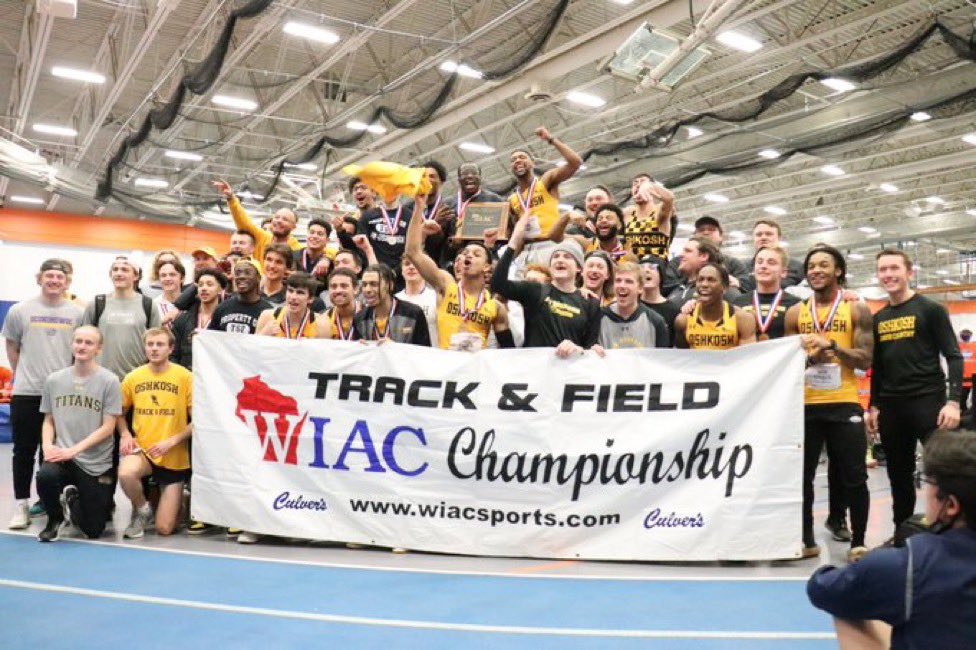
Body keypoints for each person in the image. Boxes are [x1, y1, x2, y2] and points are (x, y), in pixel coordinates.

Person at [807, 430, 976, 650]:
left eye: (929, 484)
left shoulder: (911, 565)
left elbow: (822, 588)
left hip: (903, 576)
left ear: (951, 505)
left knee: (851, 603)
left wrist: (878, 559)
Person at [867, 249, 963, 546]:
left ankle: (953, 534)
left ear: (909, 273)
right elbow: (879, 368)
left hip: (929, 403)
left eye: (894, 268)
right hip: (893, 407)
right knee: (898, 475)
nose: (888, 275)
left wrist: (953, 401)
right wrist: (873, 406)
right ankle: (901, 536)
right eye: (883, 270)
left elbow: (953, 356)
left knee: (945, 471)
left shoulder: (930, 309)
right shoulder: (879, 317)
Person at [785, 245, 874, 561]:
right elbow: (787, 364)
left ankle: (859, 542)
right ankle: (806, 539)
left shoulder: (855, 310)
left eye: (824, 264)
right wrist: (809, 358)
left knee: (854, 475)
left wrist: (833, 345)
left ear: (838, 271)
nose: (816, 270)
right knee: (803, 477)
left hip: (843, 402)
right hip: (806, 405)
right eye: (811, 265)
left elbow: (865, 359)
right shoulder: (796, 313)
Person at [3, 259, 83, 529]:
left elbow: (79, 352)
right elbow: (12, 347)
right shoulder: (19, 310)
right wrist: (23, 375)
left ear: (67, 282)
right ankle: (22, 504)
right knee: (23, 451)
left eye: (59, 277)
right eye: (49, 276)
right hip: (27, 392)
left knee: (52, 452)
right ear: (40, 278)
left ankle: (47, 502)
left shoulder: (77, 314)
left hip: (62, 395)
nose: (54, 280)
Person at [36, 326, 122, 541]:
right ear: (72, 344)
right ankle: (54, 519)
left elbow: (108, 428)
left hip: (95, 461)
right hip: (63, 455)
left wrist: (74, 450)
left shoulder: (109, 381)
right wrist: (47, 445)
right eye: (78, 341)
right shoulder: (54, 380)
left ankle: (72, 498)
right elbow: (48, 419)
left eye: (89, 343)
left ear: (98, 349)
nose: (82, 346)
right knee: (45, 475)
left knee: (94, 530)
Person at [404, 197, 513, 351]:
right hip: (446, 371)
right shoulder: (446, 285)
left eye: (476, 254)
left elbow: (509, 353)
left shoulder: (495, 307)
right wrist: (419, 208)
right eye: (466, 253)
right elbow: (412, 252)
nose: (468, 256)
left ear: (487, 267)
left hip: (475, 372)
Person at [491, 209, 600, 355]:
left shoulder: (589, 302)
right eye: (556, 257)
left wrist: (578, 349)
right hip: (537, 372)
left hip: (569, 373)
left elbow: (590, 346)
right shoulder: (535, 290)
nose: (560, 260)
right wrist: (513, 242)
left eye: (567, 257)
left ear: (579, 268)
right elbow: (498, 285)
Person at [117, 328, 193, 538]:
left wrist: (172, 441)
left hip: (173, 454)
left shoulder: (185, 377)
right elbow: (118, 413)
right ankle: (142, 509)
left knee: (164, 529)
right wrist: (125, 434)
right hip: (144, 450)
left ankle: (181, 501)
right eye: (150, 344)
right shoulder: (133, 377)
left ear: (171, 349)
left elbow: (198, 422)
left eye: (160, 345)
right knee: (125, 473)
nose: (154, 349)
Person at [506, 126, 582, 270]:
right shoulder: (512, 199)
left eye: (522, 157)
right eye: (513, 159)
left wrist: (550, 139)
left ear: (532, 163)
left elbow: (575, 162)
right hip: (527, 249)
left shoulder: (546, 181)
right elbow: (516, 233)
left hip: (551, 244)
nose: (517, 161)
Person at [82, 256, 161, 380]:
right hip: (100, 378)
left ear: (136, 276)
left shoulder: (148, 305)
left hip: (137, 379)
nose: (119, 273)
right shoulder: (97, 304)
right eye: (115, 269)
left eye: (124, 269)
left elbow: (157, 343)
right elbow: (83, 342)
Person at [674, 263, 756, 349]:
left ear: (724, 288)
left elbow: (747, 359)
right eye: (700, 280)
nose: (704, 284)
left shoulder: (742, 319)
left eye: (711, 280)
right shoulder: (683, 320)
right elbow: (681, 358)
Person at [594, 261, 669, 350]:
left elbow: (663, 360)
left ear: (640, 288)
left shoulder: (655, 321)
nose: (622, 285)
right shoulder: (598, 318)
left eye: (628, 281)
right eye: (618, 280)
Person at [732, 246, 800, 341]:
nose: (763, 266)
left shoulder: (796, 304)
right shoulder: (738, 303)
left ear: (784, 272)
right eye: (759, 262)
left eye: (771, 262)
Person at [353, 264, 431, 345]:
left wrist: (395, 348)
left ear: (390, 285)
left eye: (374, 284)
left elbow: (424, 353)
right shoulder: (359, 319)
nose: (367, 289)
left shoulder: (413, 314)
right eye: (364, 285)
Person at [170, 269, 227, 370]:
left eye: (209, 284)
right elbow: (173, 354)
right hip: (187, 376)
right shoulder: (183, 319)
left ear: (220, 290)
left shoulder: (226, 319)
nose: (204, 288)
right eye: (200, 285)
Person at [256, 273, 331, 339]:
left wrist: (310, 347)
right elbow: (254, 351)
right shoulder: (267, 316)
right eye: (290, 291)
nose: (293, 297)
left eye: (300, 293)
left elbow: (323, 354)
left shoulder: (322, 324)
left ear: (310, 298)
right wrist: (263, 335)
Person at [668, 236, 739, 305]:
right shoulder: (676, 289)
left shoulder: (722, 290)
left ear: (703, 256)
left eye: (688, 251)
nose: (680, 255)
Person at [208, 260, 273, 334]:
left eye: (247, 273)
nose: (241, 276)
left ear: (258, 278)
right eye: (238, 273)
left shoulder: (267, 311)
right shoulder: (222, 308)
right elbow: (210, 338)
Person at [740, 219, 804, 291]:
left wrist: (741, 283)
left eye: (769, 234)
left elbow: (781, 285)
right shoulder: (742, 266)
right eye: (758, 235)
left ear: (779, 238)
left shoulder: (796, 266)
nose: (763, 237)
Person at [623, 174, 675, 260]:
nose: (638, 185)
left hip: (655, 268)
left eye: (643, 182)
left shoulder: (659, 210)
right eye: (635, 183)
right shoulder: (627, 213)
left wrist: (650, 186)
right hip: (633, 269)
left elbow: (670, 198)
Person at [692, 216, 749, 289]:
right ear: (694, 236)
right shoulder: (681, 262)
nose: (706, 232)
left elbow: (746, 286)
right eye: (701, 230)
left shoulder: (733, 264)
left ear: (721, 237)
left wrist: (737, 283)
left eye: (711, 229)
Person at [396, 257, 439, 349]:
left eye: (416, 264)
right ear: (402, 271)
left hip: (431, 355)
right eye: (407, 264)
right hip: (402, 356)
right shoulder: (395, 300)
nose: (411, 267)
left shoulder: (436, 297)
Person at [325, 269, 360, 341]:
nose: (338, 291)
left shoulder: (371, 317)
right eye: (333, 286)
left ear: (356, 289)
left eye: (344, 286)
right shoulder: (322, 319)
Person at [153, 259, 186, 326]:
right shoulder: (153, 305)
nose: (167, 279)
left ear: (182, 278)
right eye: (163, 275)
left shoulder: (190, 304)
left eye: (172, 274)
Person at [960, 329, 976, 415]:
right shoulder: (958, 347)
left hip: (973, 377)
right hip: (963, 379)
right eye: (964, 333)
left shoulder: (975, 346)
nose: (965, 334)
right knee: (962, 401)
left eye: (968, 333)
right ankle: (963, 415)